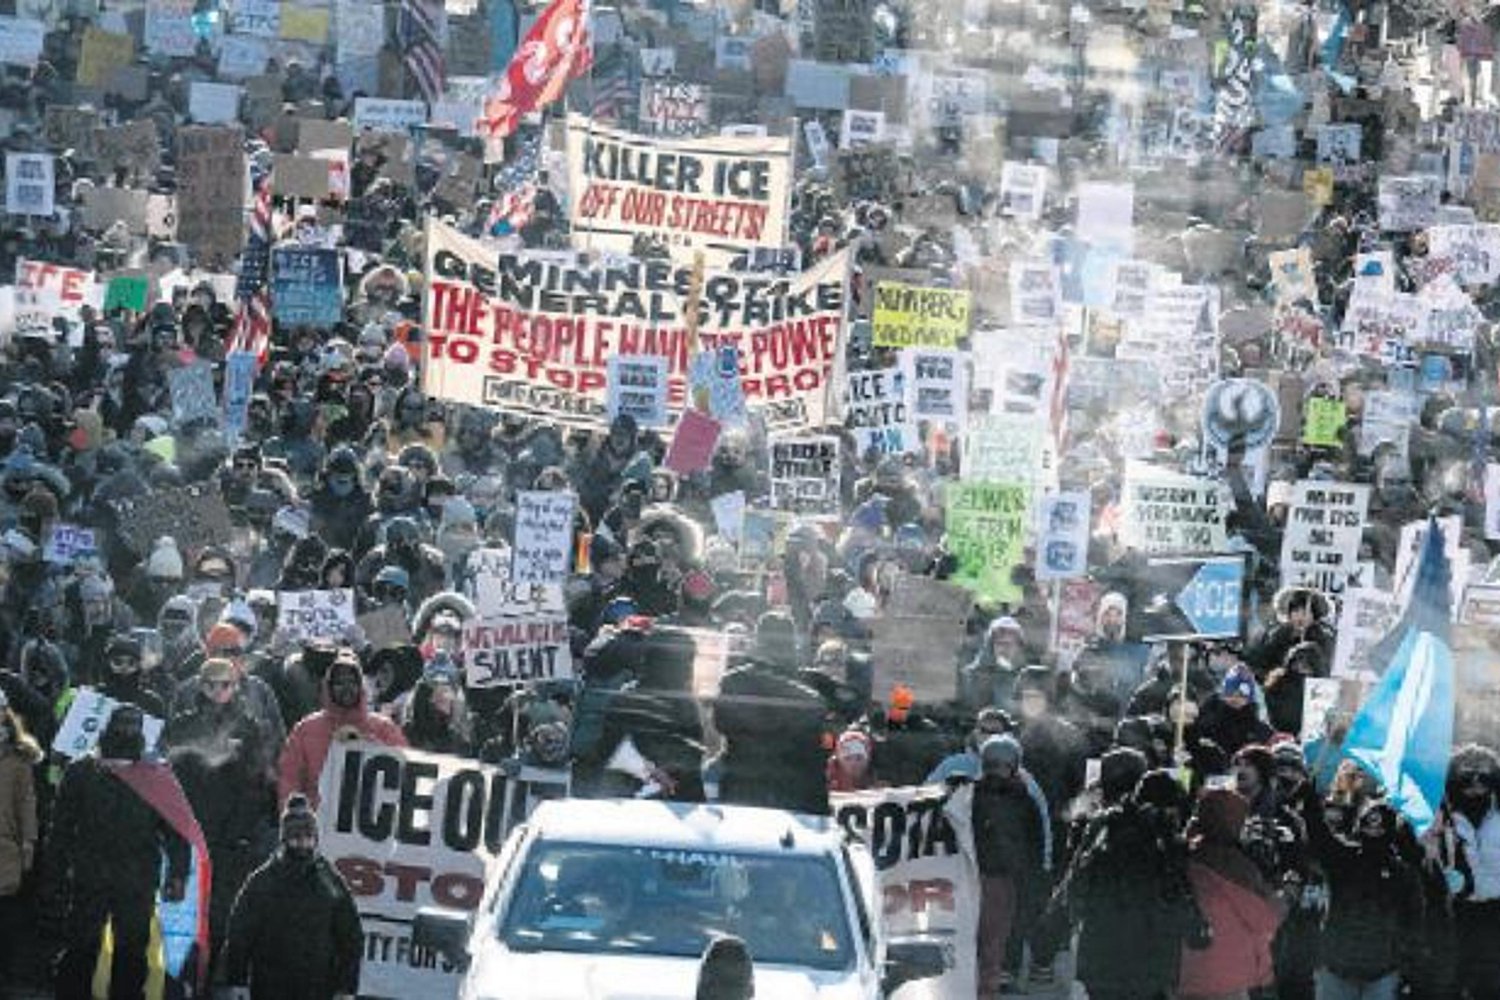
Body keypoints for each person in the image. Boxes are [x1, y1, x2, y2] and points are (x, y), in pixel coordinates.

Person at [46, 705, 198, 1000]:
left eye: (133, 725)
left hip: (136, 879)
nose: (127, 731)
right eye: (122, 725)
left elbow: (177, 828)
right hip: (91, 875)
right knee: (81, 949)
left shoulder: (157, 774)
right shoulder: (82, 771)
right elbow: (60, 829)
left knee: (131, 955)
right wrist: (53, 876)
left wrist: (178, 874)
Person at [222, 794, 362, 1000]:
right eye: (296, 838)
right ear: (285, 839)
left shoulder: (329, 881)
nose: (303, 844)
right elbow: (239, 935)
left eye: (308, 837)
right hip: (270, 986)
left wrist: (346, 987)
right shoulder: (263, 881)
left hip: (318, 988)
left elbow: (351, 936)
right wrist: (237, 981)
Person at [1178, 788, 1287, 1000]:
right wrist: (1288, 892)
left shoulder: (1183, 855)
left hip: (1185, 975)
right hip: (1227, 978)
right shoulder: (1236, 867)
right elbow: (1266, 919)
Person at [277, 651, 407, 809]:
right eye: (339, 683)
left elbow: (404, 771)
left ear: (361, 687)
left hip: (367, 820)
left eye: (352, 682)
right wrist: (294, 816)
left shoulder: (384, 728)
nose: (346, 688)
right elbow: (289, 779)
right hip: (318, 822)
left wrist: (368, 744)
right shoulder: (305, 729)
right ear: (329, 688)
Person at [971, 734, 1045, 999]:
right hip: (1000, 883)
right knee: (993, 946)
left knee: (975, 944)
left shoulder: (969, 795)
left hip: (971, 879)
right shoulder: (1025, 799)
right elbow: (1035, 848)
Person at [0, 695, 41, 988]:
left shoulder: (17, 758)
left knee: (6, 917)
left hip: (5, 848)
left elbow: (26, 803)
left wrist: (28, 843)